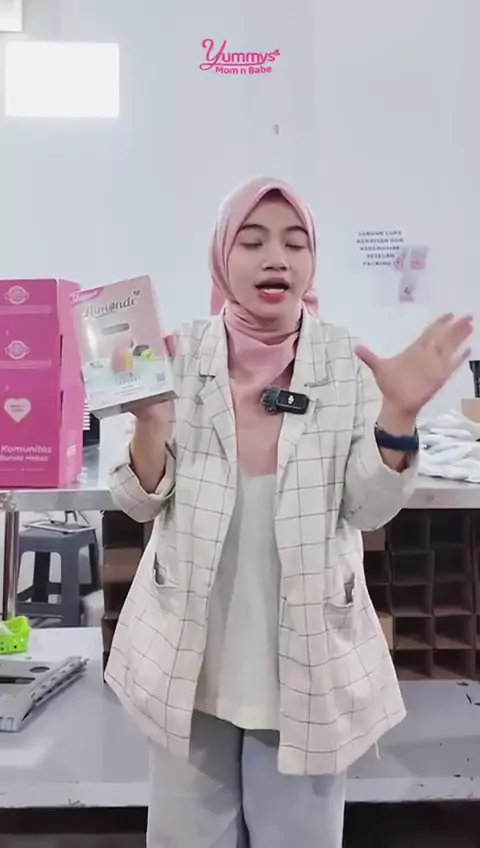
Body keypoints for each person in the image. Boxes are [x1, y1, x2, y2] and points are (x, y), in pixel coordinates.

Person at [105, 177, 472, 847]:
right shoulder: (176, 357)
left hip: (307, 659)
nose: (276, 258)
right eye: (252, 242)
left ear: (312, 259)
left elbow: (368, 508)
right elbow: (137, 499)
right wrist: (150, 425)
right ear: (221, 256)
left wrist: (398, 416)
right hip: (190, 656)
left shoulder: (345, 363)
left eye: (294, 243)